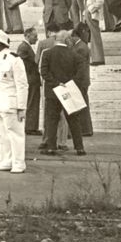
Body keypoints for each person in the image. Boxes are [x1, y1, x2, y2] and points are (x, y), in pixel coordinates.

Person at [0, 29, 27, 174]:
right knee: (4, 134)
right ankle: (6, 161)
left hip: (10, 103)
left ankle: (19, 163)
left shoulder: (14, 59)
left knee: (15, 134)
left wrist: (22, 107)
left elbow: (22, 84)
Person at [39, 24, 86, 156]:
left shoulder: (47, 53)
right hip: (69, 91)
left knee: (52, 120)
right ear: (67, 40)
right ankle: (79, 147)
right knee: (73, 120)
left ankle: (51, 147)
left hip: (53, 92)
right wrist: (70, 84)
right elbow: (81, 72)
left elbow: (44, 72)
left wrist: (56, 84)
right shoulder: (74, 55)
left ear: (56, 39)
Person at [14, 26, 42, 136]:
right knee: (32, 103)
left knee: (33, 103)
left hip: (31, 79)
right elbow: (22, 64)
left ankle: (31, 126)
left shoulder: (26, 47)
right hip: (31, 79)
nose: (36, 39)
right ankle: (30, 127)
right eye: (35, 36)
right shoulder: (24, 47)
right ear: (27, 35)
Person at [82, 0, 106, 66]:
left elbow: (100, 1)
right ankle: (96, 58)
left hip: (92, 13)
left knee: (95, 35)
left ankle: (98, 59)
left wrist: (89, 10)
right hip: (90, 12)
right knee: (93, 35)